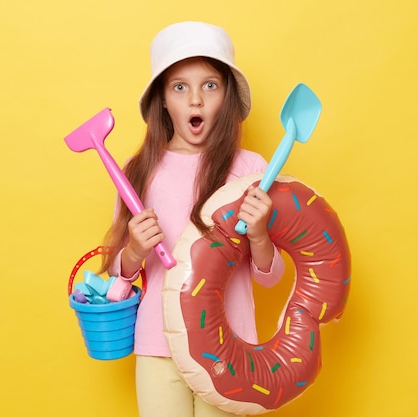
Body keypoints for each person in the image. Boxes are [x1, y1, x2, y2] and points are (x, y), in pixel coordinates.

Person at [99, 21, 285, 417]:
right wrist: (133, 251)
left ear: (227, 96)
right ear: (163, 100)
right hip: (158, 346)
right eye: (180, 87)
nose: (196, 101)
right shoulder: (138, 171)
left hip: (228, 348)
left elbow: (270, 276)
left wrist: (259, 236)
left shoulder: (251, 170)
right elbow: (119, 274)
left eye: (210, 85)